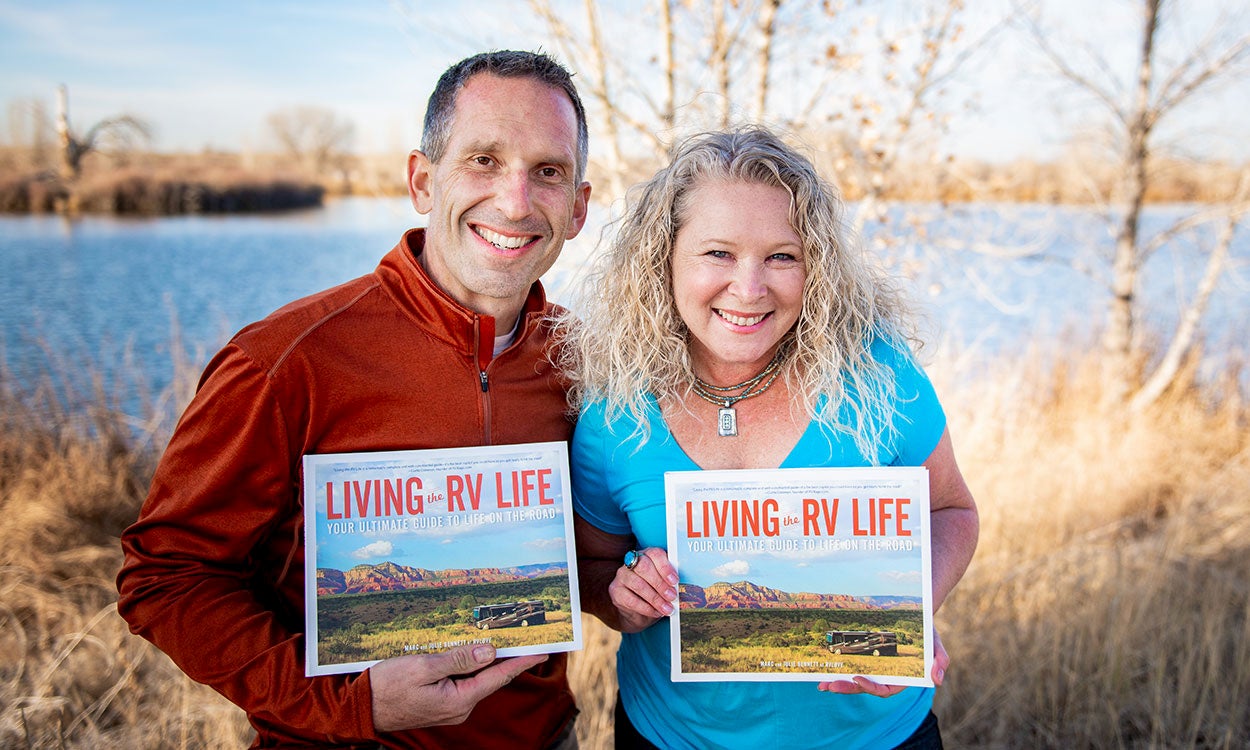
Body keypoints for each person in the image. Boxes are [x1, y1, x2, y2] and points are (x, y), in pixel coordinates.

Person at [116, 50, 592, 749]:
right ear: (423, 181)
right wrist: (346, 704)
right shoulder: (285, 361)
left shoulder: (585, 363)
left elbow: (595, 546)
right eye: (484, 161)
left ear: (579, 207)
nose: (515, 201)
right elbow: (165, 576)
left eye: (547, 171)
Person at [556, 127, 978, 749]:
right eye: (718, 254)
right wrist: (624, 595)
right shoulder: (616, 410)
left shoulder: (876, 377)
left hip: (877, 738)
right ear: (663, 258)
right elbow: (594, 568)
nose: (749, 289)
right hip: (673, 738)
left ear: (817, 266)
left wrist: (915, 605)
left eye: (782, 256)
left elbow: (952, 510)